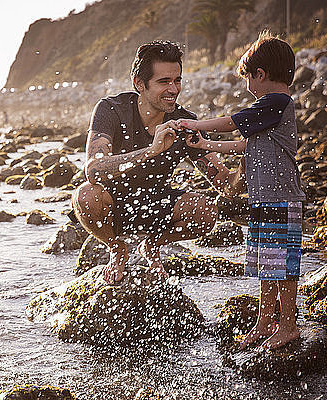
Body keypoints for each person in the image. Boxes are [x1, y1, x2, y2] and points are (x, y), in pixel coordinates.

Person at [72, 40, 244, 285]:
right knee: (86, 196)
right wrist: (150, 151)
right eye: (164, 82)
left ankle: (151, 245)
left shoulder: (185, 122)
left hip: (157, 204)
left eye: (177, 80)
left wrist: (248, 162)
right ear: (139, 83)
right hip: (113, 203)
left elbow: (226, 186)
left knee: (206, 210)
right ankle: (116, 247)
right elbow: (94, 170)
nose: (173, 89)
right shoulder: (112, 109)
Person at [175, 31, 306, 351]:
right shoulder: (270, 108)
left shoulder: (276, 102)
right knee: (267, 262)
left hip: (281, 197)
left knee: (283, 267)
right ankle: (265, 322)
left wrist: (195, 125)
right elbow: (246, 144)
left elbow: (233, 122)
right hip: (264, 197)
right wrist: (206, 145)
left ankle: (288, 325)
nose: (248, 86)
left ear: (260, 75)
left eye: (249, 78)